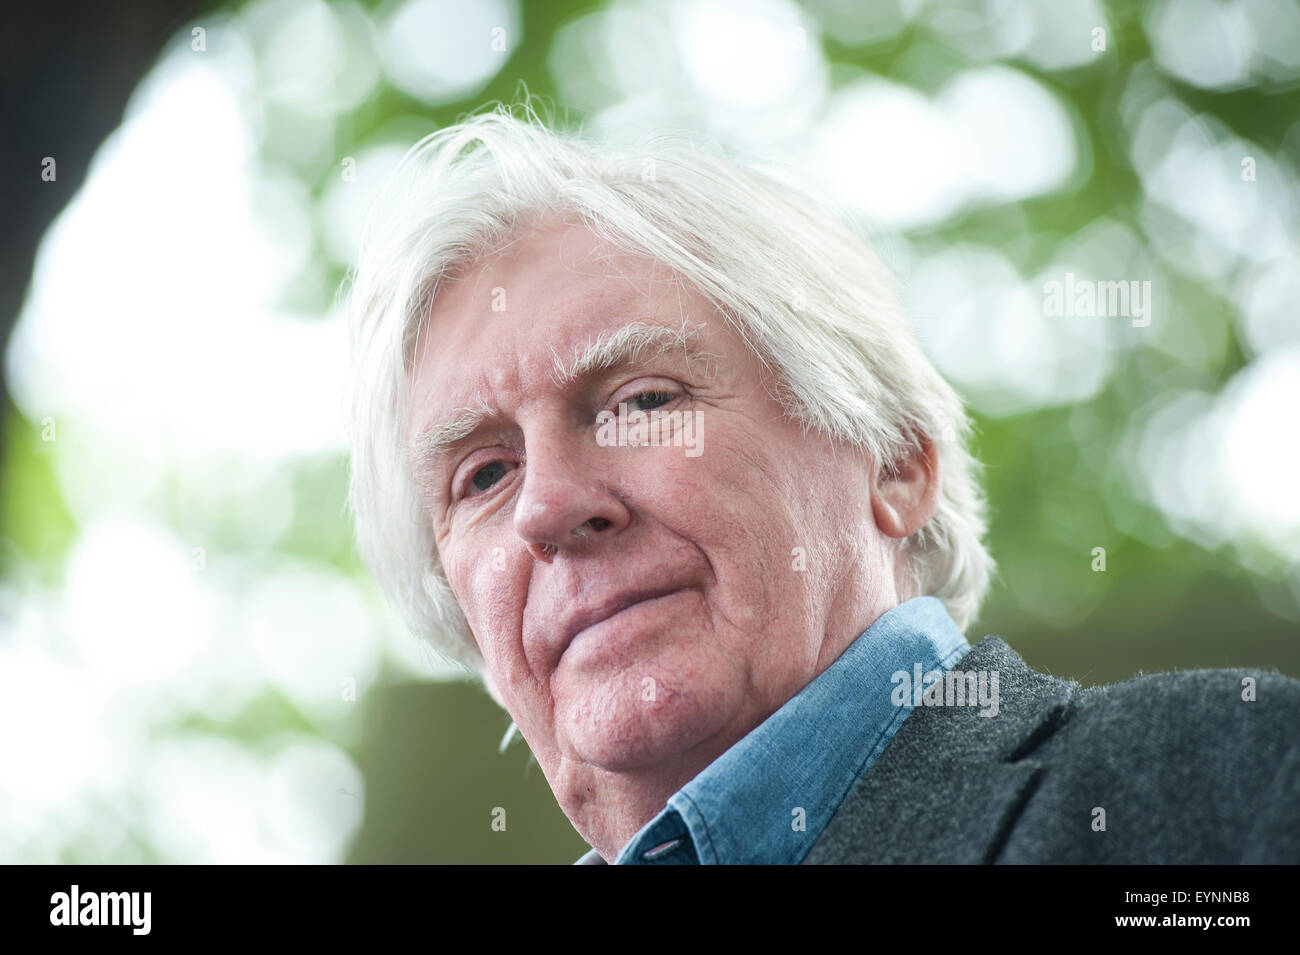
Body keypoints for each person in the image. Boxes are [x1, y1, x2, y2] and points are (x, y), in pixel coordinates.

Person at [343, 105, 1300, 865]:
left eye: (640, 401)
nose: (547, 507)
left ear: (893, 460)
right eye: (485, 474)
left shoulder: (1234, 789)